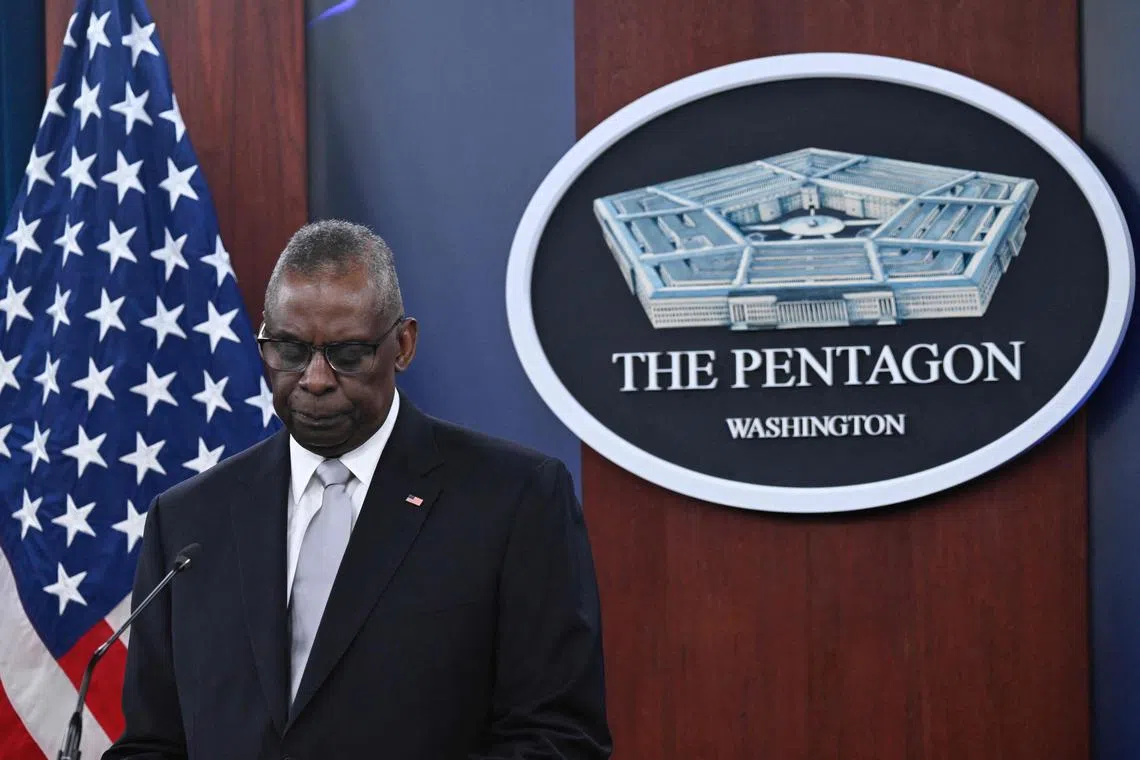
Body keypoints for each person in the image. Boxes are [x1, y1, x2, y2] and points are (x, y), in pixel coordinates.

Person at [105, 220, 612, 759]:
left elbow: (560, 738)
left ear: (403, 345)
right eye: (289, 351)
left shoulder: (514, 500)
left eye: (347, 355)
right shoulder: (187, 521)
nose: (315, 379)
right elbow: (153, 742)